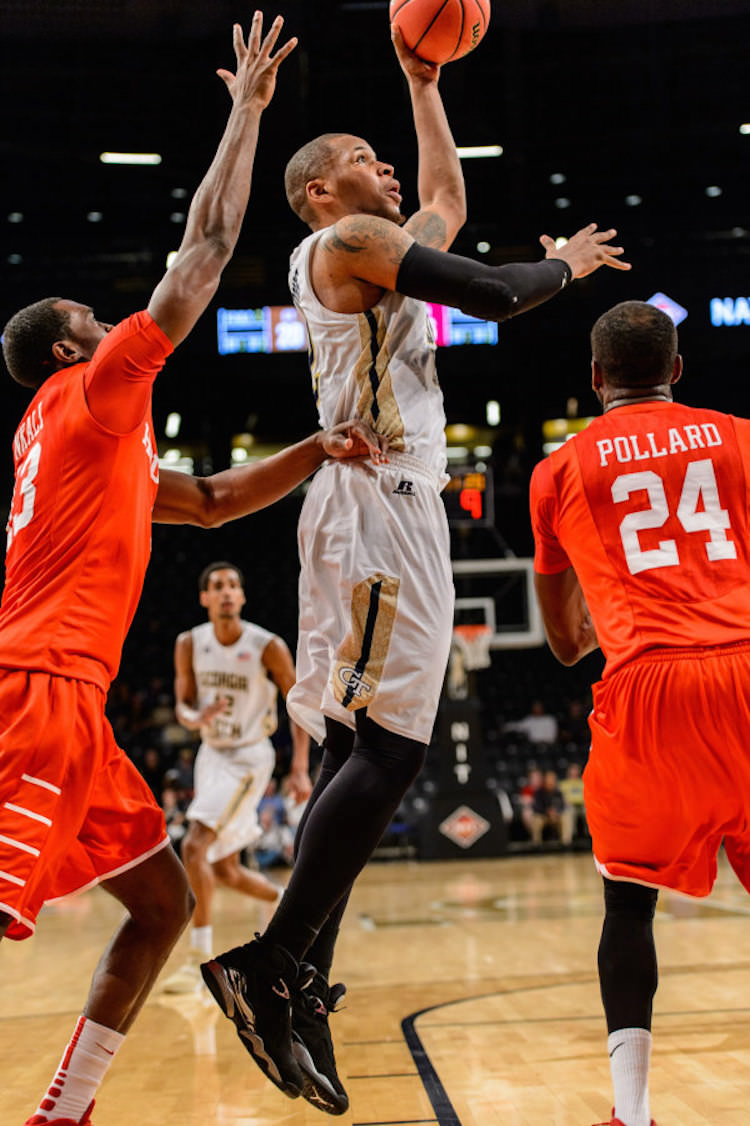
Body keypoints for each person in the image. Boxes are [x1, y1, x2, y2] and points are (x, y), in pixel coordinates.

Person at [199, 18, 632, 1118]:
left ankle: (297, 986)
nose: (386, 166)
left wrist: (418, 83)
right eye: (363, 154)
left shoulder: (366, 246)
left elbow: (447, 198)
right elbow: (488, 287)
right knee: (393, 752)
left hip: (360, 515)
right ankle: (275, 960)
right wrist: (568, 266)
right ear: (316, 190)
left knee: (352, 747)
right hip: (384, 513)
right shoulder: (344, 246)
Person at [0, 15, 388, 1126]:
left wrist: (320, 447)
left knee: (165, 901)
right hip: (39, 689)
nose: (118, 321)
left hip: (71, 701)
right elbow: (204, 253)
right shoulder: (89, 395)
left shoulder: (87, 443)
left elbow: (215, 501)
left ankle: (61, 1111)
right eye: (97, 318)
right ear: (78, 350)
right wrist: (249, 111)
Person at [529, 298, 750, 1126]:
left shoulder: (559, 472)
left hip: (652, 684)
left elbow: (561, 643)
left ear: (594, 379)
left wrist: (605, 616)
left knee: (628, 903)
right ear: (679, 372)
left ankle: (633, 1112)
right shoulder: (738, 435)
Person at [161, 560, 311, 994]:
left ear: (242, 596)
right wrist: (195, 718)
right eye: (217, 586)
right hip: (211, 753)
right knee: (223, 868)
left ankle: (197, 963)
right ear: (204, 598)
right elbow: (183, 706)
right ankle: (277, 900)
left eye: (233, 585)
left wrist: (299, 766)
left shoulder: (267, 646)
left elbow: (296, 702)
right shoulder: (189, 643)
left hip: (248, 757)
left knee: (194, 845)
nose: (226, 592)